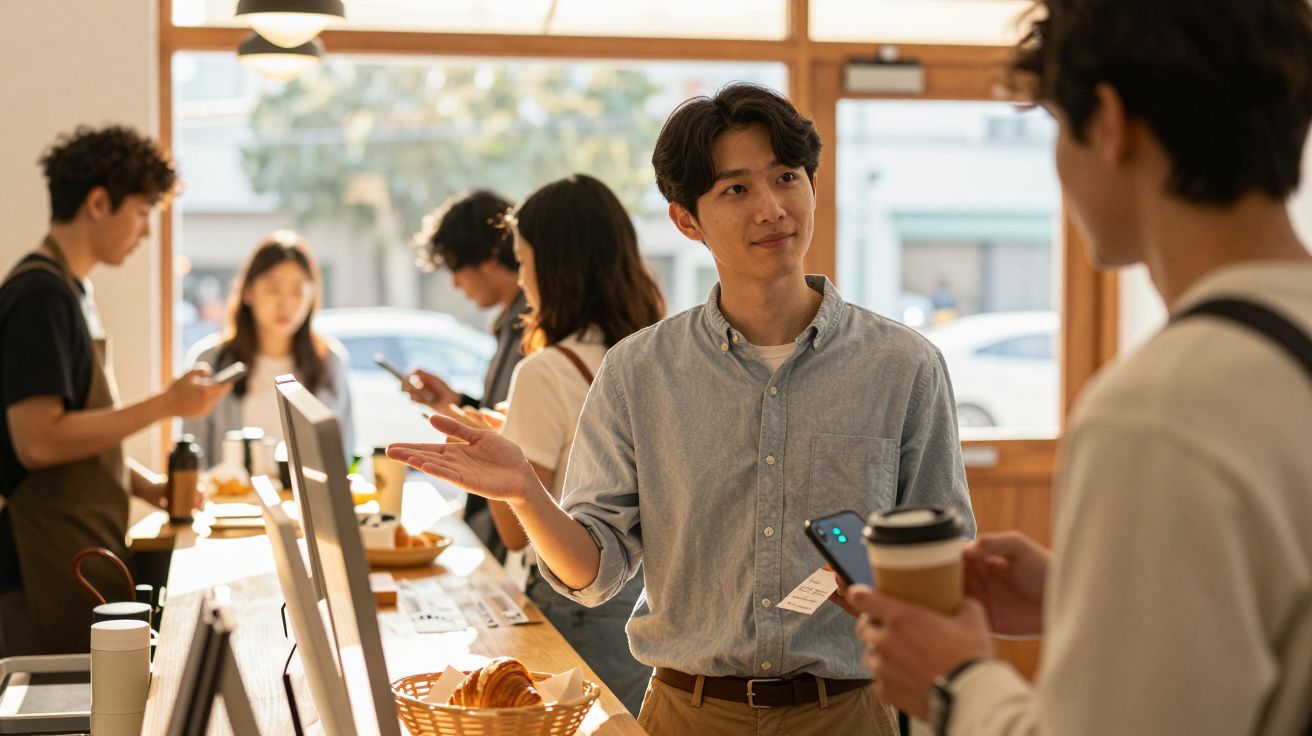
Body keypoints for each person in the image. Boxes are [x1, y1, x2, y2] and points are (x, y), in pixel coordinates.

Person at [389, 83, 975, 736]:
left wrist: (902, 591)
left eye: (787, 177)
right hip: (686, 713)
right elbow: (595, 572)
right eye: (736, 190)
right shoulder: (640, 371)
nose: (772, 208)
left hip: (849, 714)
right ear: (685, 220)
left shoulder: (904, 365)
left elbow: (949, 562)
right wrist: (527, 491)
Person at [847, 1, 1312, 734]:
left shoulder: (1163, 409)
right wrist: (1087, 598)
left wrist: (955, 682)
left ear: (1109, 122)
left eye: (1057, 127)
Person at [0, 125, 230, 655]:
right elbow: (38, 441)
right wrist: (167, 405)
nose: (146, 232)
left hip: (78, 548)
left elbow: (72, 431)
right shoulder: (40, 296)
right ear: (99, 203)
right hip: (40, 562)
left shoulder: (70, 290)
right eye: (144, 211)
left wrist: (140, 483)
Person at [473, 173, 663, 715]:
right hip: (647, 602)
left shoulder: (544, 372)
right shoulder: (656, 357)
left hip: (577, 604)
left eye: (523, 260)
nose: (521, 279)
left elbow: (513, 533)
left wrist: (494, 452)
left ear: (551, 267)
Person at [407, 189, 531, 562]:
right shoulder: (509, 324)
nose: (456, 285)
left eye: (455, 269)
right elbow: (507, 418)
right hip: (496, 528)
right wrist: (457, 403)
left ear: (490, 257)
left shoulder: (532, 328)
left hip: (514, 534)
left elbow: (519, 436)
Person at [183, 232, 353, 463]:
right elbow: (193, 456)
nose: (286, 303)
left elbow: (343, 453)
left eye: (298, 291)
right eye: (273, 289)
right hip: (230, 498)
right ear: (248, 292)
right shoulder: (212, 360)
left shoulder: (328, 360)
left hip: (303, 500)